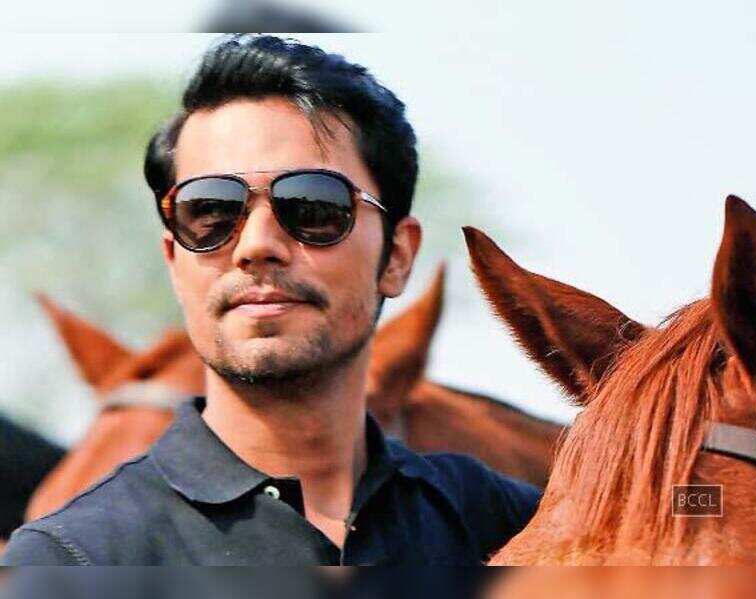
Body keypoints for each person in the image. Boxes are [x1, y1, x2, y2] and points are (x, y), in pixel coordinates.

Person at [1, 34, 540, 565]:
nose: (256, 246)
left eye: (313, 206)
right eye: (210, 211)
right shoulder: (73, 558)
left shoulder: (511, 529)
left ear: (397, 256)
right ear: (174, 261)